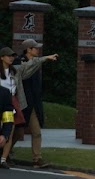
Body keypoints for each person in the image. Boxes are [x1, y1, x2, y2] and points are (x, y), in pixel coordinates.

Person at [13, 39, 57, 168]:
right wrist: (45, 58)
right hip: (21, 103)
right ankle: (6, 152)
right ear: (29, 49)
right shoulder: (18, 62)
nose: (38, 50)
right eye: (36, 48)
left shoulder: (36, 63)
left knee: (36, 132)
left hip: (33, 103)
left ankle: (37, 159)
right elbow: (24, 74)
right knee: (18, 133)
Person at [0, 47, 16, 169]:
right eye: (8, 55)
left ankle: (3, 159)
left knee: (9, 131)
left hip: (8, 104)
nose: (11, 58)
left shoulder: (14, 72)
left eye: (12, 56)